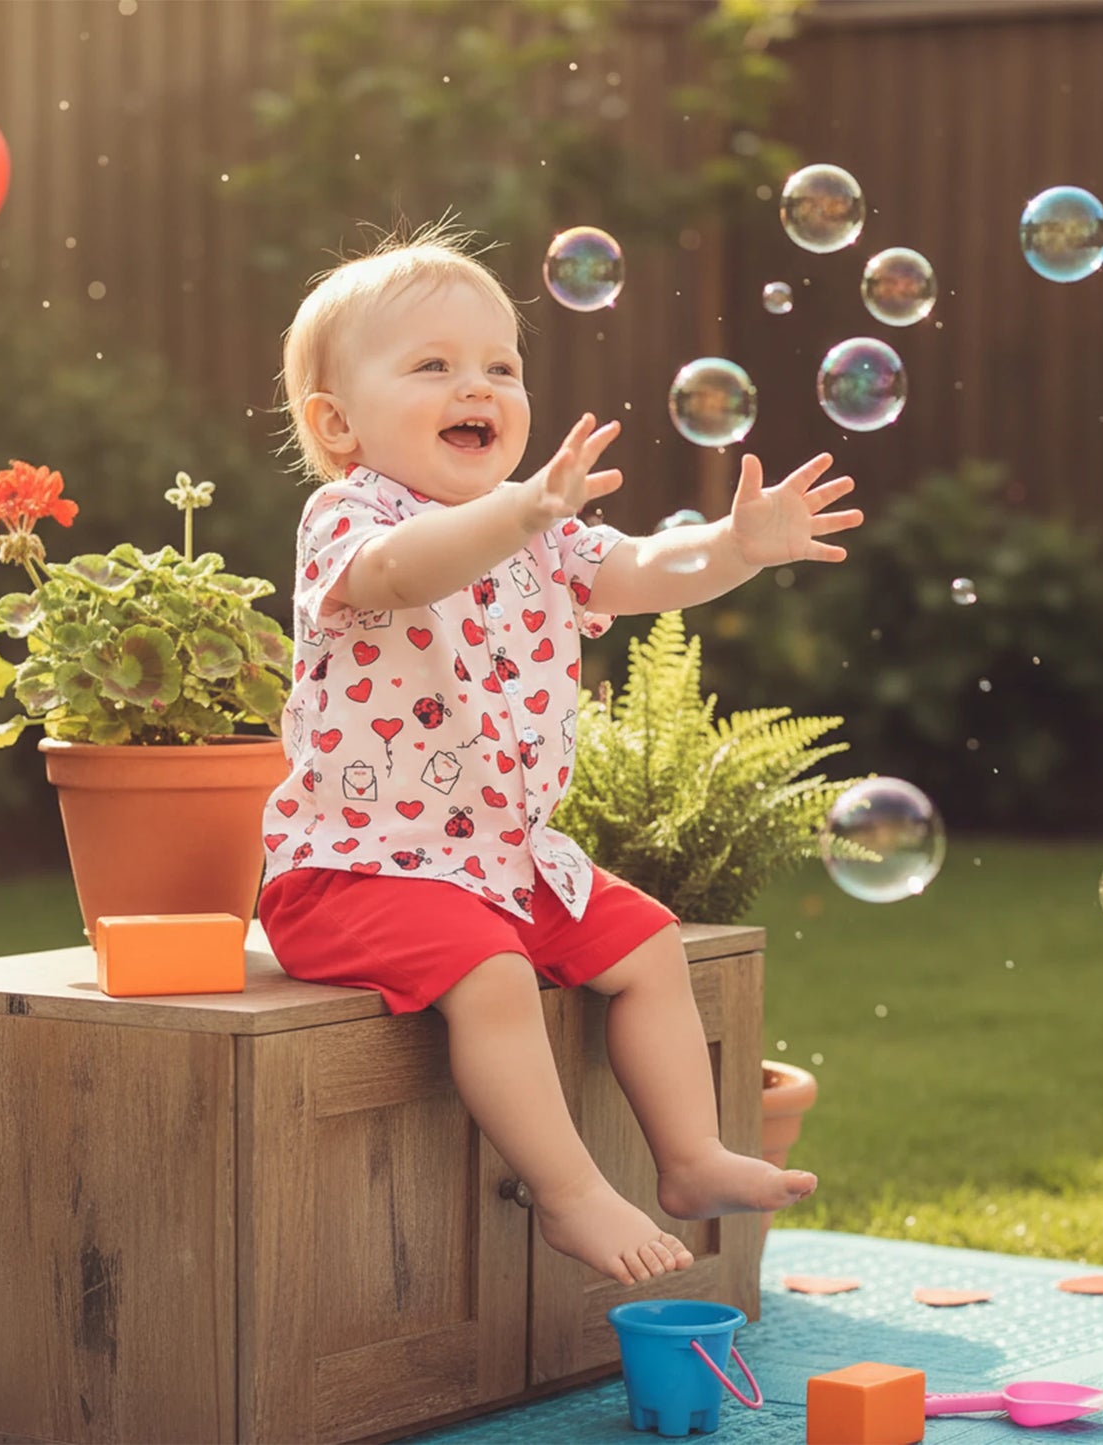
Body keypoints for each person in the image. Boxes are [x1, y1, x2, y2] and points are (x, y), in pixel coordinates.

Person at [259, 220, 863, 1288]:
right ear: (336, 422)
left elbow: (636, 565)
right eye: (433, 365)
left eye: (500, 365)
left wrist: (729, 548)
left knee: (649, 946)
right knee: (490, 976)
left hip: (499, 862)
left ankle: (686, 1157)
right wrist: (514, 510)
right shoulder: (349, 516)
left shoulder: (533, 530)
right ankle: (571, 1191)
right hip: (355, 868)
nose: (476, 386)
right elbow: (403, 573)